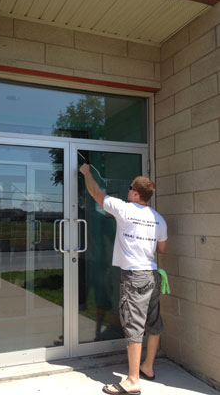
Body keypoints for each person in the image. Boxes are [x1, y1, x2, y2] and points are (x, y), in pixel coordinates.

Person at [79, 164, 168, 395]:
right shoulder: (158, 219)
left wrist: (86, 173)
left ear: (136, 193)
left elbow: (96, 194)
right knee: (153, 322)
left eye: (130, 188)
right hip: (152, 275)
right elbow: (162, 248)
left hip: (134, 277)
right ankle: (147, 366)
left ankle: (132, 380)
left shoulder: (124, 209)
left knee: (134, 326)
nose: (128, 191)